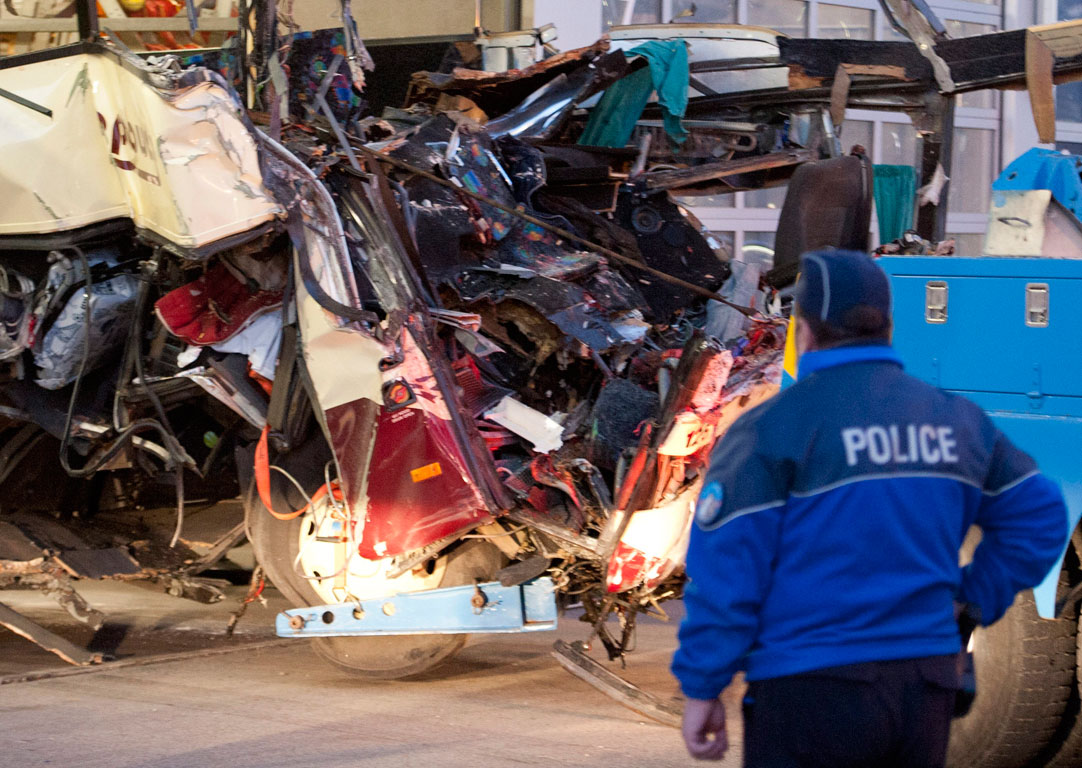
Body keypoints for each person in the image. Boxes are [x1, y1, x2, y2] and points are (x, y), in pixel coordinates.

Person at [672, 249, 1069, 767]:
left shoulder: (772, 429)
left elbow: (727, 574)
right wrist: (972, 601)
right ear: (888, 324)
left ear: (806, 329)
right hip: (923, 689)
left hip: (810, 688)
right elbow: (1041, 517)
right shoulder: (956, 419)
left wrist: (704, 687)